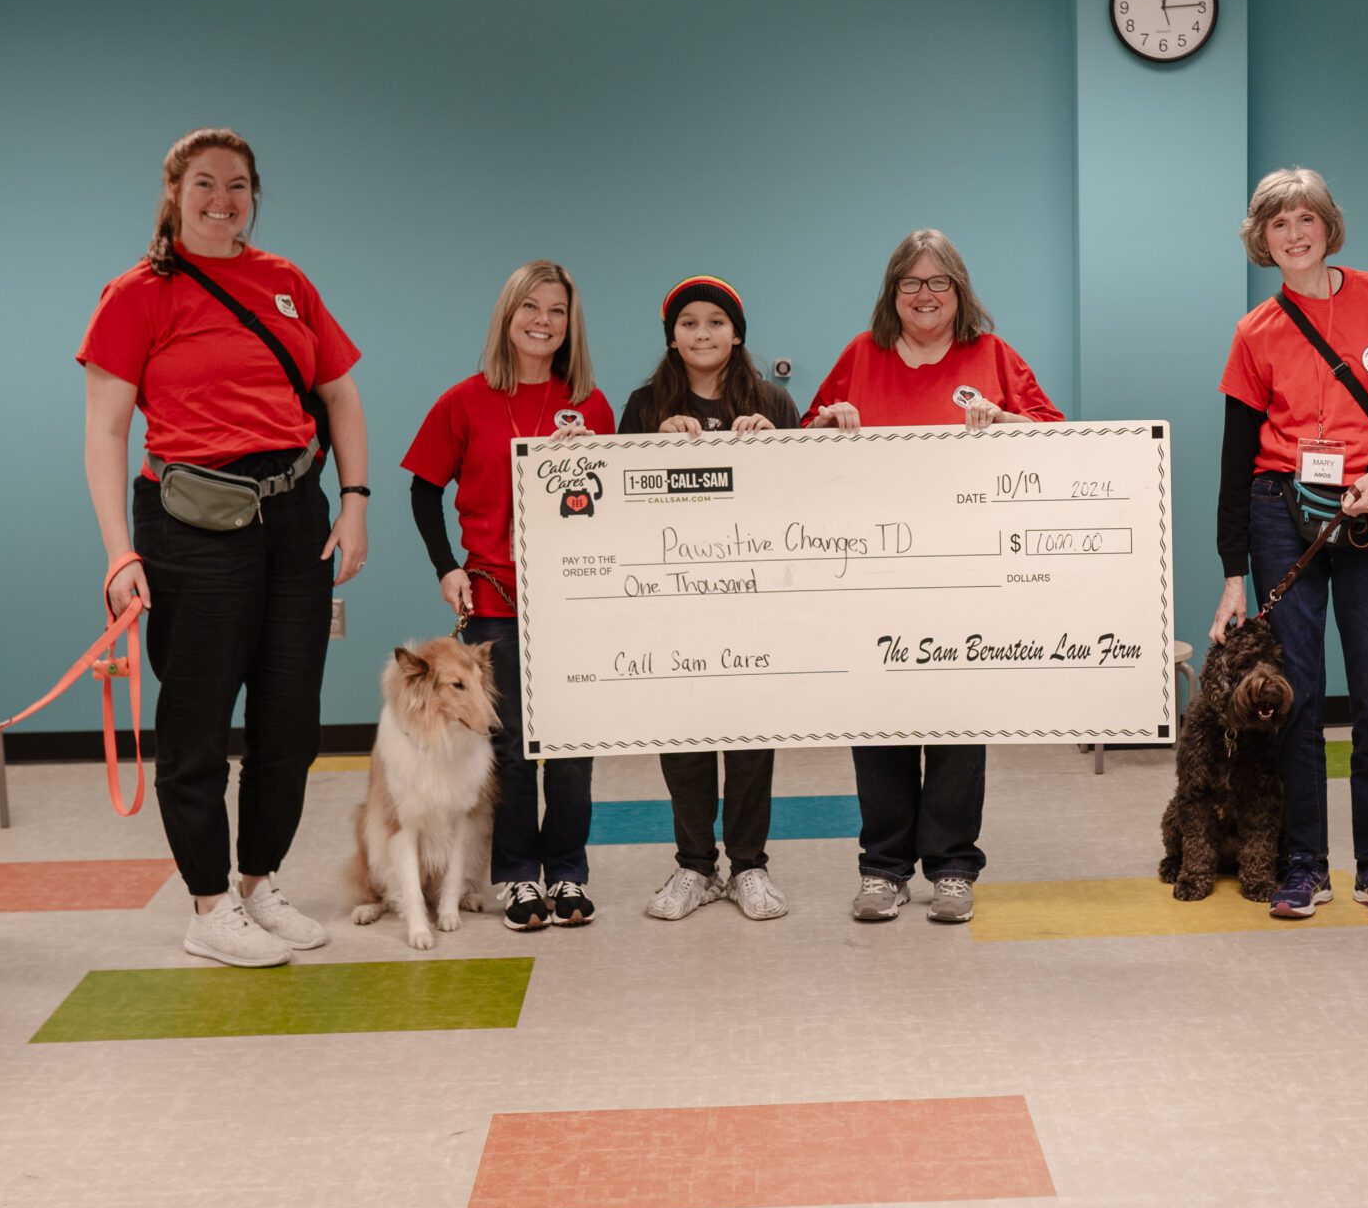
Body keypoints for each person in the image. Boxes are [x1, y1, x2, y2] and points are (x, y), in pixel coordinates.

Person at [79, 127, 372, 968]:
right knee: (198, 724)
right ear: (174, 193)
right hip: (191, 526)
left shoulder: (286, 282)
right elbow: (105, 431)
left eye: (237, 184)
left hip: (295, 518)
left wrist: (353, 502)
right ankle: (208, 904)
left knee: (290, 721)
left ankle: (259, 881)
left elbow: (340, 394)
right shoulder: (137, 293)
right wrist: (118, 553)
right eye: (204, 183)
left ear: (254, 195)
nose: (222, 199)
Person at [1211, 169, 1368, 921]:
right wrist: (1232, 576)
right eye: (1278, 223)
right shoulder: (1255, 332)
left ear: (1328, 226)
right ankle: (1304, 864)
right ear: (1262, 239)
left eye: (1305, 218)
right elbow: (1235, 461)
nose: (1294, 233)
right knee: (1297, 698)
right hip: (1282, 515)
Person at [806, 229, 1063, 924]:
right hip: (873, 575)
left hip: (966, 574)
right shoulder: (861, 356)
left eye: (938, 282)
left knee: (957, 721)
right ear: (893, 292)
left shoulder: (993, 355)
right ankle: (883, 868)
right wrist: (830, 422)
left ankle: (952, 867)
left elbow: (1056, 435)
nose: (925, 295)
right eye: (911, 283)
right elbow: (804, 442)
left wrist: (1004, 420)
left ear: (960, 291)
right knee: (878, 720)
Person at [403, 260, 613, 931]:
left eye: (557, 311)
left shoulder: (592, 406)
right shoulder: (464, 401)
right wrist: (447, 568)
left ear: (570, 325)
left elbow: (610, 505)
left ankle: (569, 872)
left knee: (573, 751)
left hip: (572, 601)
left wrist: (591, 461)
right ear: (508, 315)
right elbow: (423, 490)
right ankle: (519, 875)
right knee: (513, 748)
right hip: (495, 601)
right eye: (530, 307)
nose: (542, 321)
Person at [617, 276, 801, 922]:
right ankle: (695, 866)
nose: (702, 333)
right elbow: (622, 507)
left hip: (753, 601)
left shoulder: (773, 401)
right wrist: (651, 450)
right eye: (689, 323)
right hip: (673, 604)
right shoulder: (645, 406)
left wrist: (774, 445)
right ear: (672, 337)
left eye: (716, 322)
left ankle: (749, 865)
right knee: (685, 735)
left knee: (750, 738)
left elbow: (805, 496)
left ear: (737, 334)